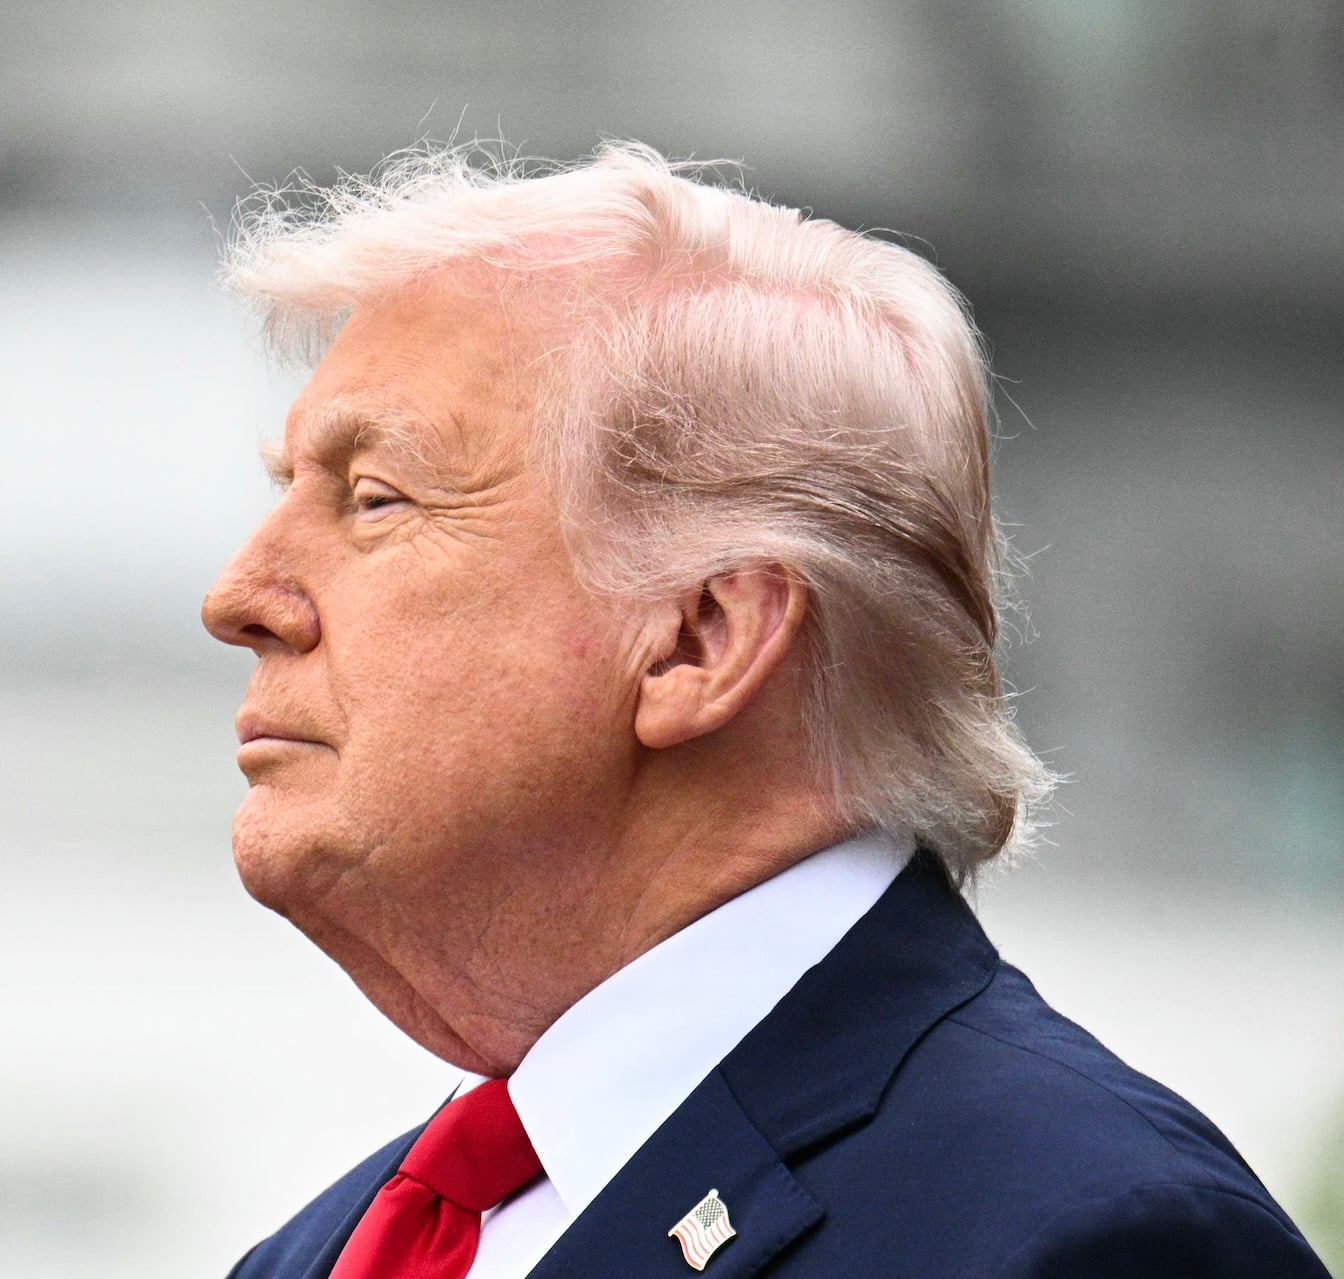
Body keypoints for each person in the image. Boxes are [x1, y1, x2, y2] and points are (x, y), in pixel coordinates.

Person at [199, 143, 1331, 1279]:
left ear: (701, 638)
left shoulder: (1091, 1238)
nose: (238, 597)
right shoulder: (322, 1253)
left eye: (375, 499)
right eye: (285, 490)